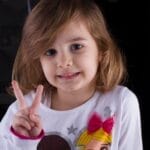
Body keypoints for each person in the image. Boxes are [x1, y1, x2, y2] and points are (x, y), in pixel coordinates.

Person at [0, 0, 143, 149]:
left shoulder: (121, 103)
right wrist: (24, 140)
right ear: (38, 60)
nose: (63, 62)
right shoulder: (21, 115)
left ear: (101, 50)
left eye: (76, 47)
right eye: (50, 52)